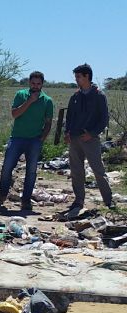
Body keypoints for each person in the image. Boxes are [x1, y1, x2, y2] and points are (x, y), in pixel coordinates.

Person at [0, 71, 54, 212]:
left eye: (38, 84)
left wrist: (42, 138)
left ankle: (26, 200)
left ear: (42, 84)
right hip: (17, 138)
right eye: (33, 83)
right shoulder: (20, 95)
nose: (35, 86)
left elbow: (48, 122)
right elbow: (15, 114)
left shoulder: (47, 101)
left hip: (34, 140)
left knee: (31, 171)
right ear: (29, 82)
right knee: (7, 167)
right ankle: (2, 195)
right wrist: (29, 101)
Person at [64, 63, 113, 212]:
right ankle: (79, 201)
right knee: (77, 171)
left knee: (98, 170)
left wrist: (92, 133)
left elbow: (104, 118)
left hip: (90, 139)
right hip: (74, 138)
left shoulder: (99, 95)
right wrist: (67, 132)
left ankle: (108, 201)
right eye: (76, 76)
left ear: (87, 76)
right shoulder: (75, 96)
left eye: (78, 76)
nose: (76, 79)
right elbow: (70, 116)